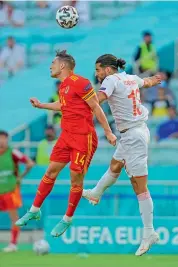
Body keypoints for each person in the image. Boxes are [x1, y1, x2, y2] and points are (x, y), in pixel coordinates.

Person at [15, 50, 117, 237]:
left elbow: (96, 106)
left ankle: (67, 219)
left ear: (62, 65)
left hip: (83, 138)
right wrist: (41, 105)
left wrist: (109, 132)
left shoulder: (81, 82)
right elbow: (63, 105)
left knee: (75, 179)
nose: (50, 66)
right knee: (50, 171)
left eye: (53, 63)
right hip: (66, 136)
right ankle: (35, 209)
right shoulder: (63, 87)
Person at [82, 54, 162, 256]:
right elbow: (147, 82)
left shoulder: (110, 80)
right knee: (116, 165)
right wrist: (156, 80)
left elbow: (99, 98)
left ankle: (149, 233)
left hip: (133, 135)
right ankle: (97, 192)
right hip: (134, 132)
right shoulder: (130, 77)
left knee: (139, 186)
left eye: (98, 70)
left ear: (108, 69)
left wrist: (80, 100)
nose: (97, 74)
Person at [0, 130, 34, 252]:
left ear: (7, 139)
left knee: (14, 218)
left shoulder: (13, 152)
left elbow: (30, 163)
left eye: (4, 138)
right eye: (0, 138)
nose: (1, 140)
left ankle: (13, 244)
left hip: (10, 190)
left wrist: (20, 177)